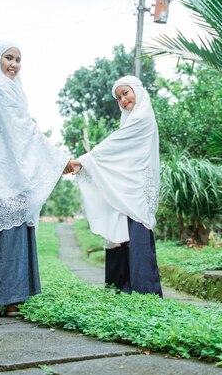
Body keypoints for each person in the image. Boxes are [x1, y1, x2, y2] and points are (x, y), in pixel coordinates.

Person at [0, 40, 72, 318]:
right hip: (3, 175)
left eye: (18, 60)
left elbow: (19, 131)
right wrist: (59, 159)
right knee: (9, 239)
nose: (14, 64)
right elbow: (23, 130)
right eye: (8, 57)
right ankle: (9, 301)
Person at [70, 75, 163, 297]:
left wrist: (84, 160)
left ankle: (145, 294)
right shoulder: (129, 120)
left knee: (138, 235)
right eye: (119, 97)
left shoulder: (142, 117)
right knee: (121, 234)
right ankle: (120, 291)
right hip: (125, 188)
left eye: (126, 93)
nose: (123, 100)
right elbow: (120, 153)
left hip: (137, 190)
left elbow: (115, 145)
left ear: (137, 92)